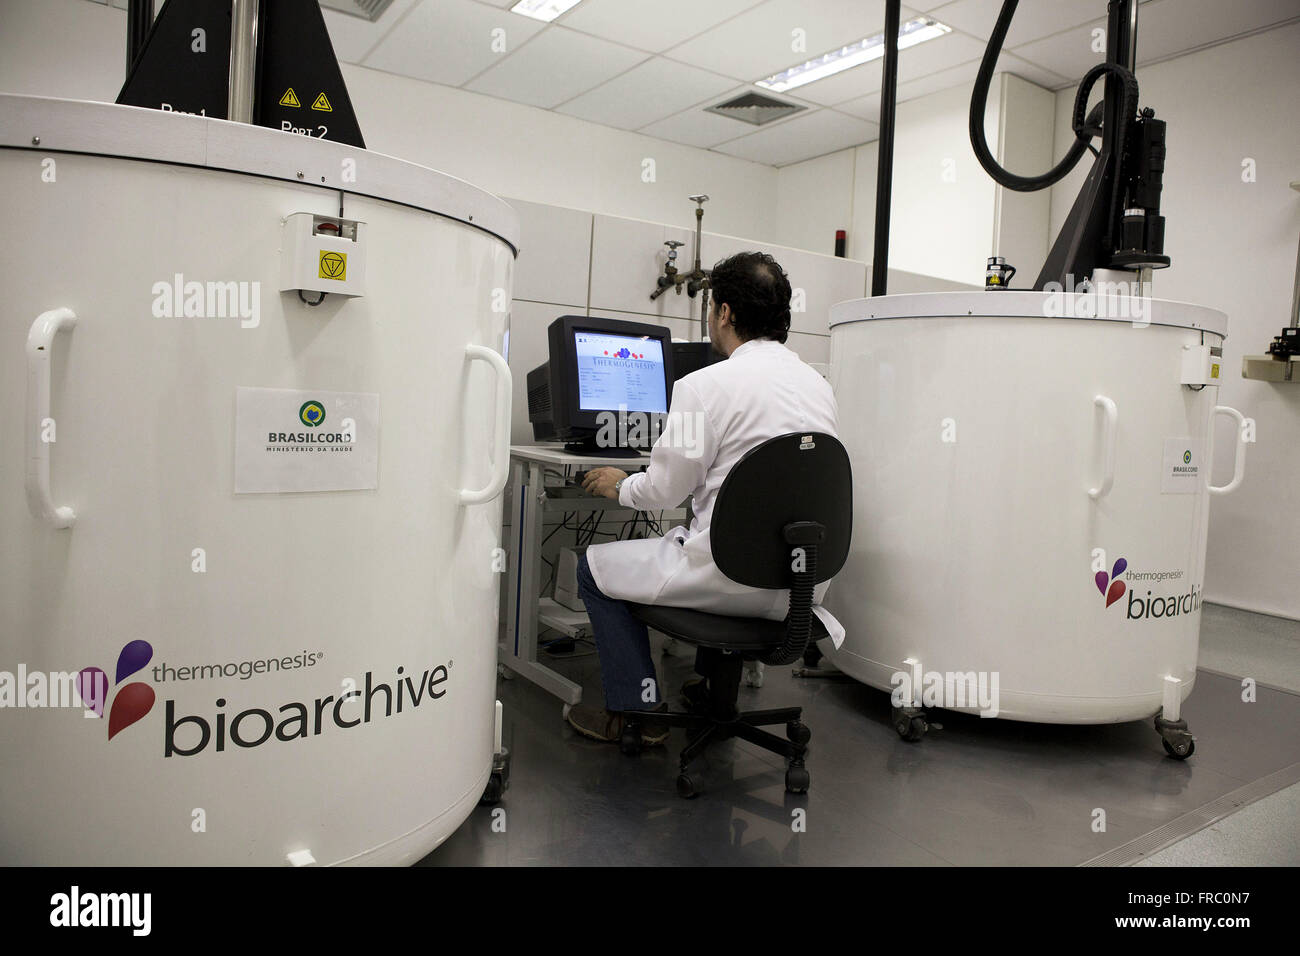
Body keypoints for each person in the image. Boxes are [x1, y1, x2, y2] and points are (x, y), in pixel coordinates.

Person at [566, 251, 840, 744]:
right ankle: (712, 691)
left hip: (728, 577)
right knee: (706, 533)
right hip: (802, 587)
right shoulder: (819, 387)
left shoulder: (704, 386)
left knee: (594, 568)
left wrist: (618, 484)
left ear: (725, 312)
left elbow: (664, 490)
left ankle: (636, 713)